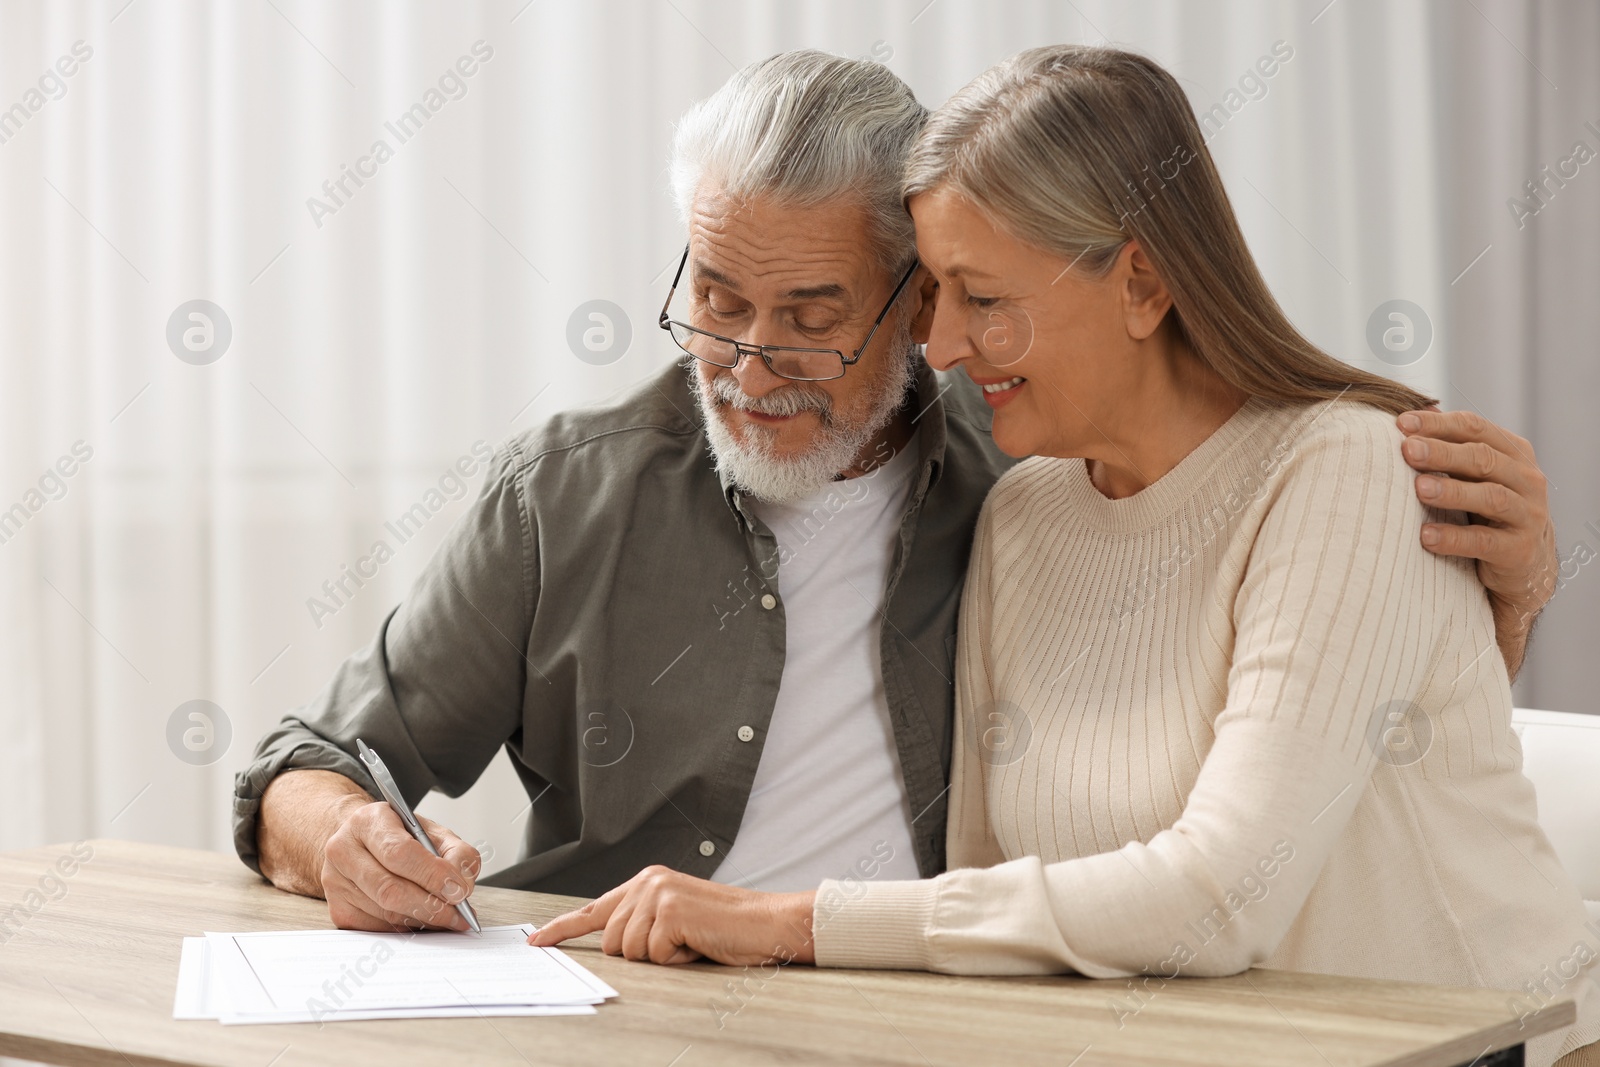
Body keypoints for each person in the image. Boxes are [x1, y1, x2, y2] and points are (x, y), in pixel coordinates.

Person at [237, 51, 1555, 957]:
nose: (748, 365)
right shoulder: (575, 491)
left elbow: (1262, 769)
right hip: (623, 1012)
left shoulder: (1026, 464)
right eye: (716, 300)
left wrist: (1494, 600)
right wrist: (340, 837)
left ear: (910, 296)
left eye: (812, 318)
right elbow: (310, 760)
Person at [529, 45, 1596, 1067]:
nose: (938, 347)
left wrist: (787, 918)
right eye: (934, 294)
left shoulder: (1346, 471)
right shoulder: (1024, 513)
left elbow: (1219, 894)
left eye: (981, 299)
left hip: (1477, 1042)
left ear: (1141, 286)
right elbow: (990, 897)